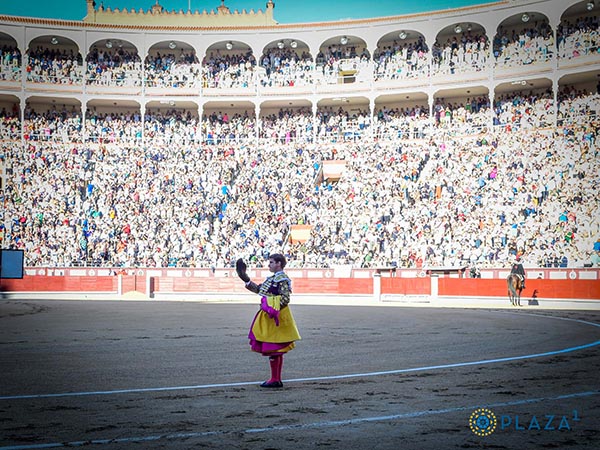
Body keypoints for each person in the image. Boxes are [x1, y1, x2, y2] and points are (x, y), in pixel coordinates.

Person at [236, 254, 301, 388]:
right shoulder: (274, 279)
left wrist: (270, 307)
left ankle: (275, 378)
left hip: (275, 316)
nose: (269, 265)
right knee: (275, 348)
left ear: (279, 263)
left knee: (274, 347)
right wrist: (246, 279)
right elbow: (261, 290)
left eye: (271, 262)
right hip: (271, 315)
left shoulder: (281, 279)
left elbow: (285, 298)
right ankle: (275, 378)